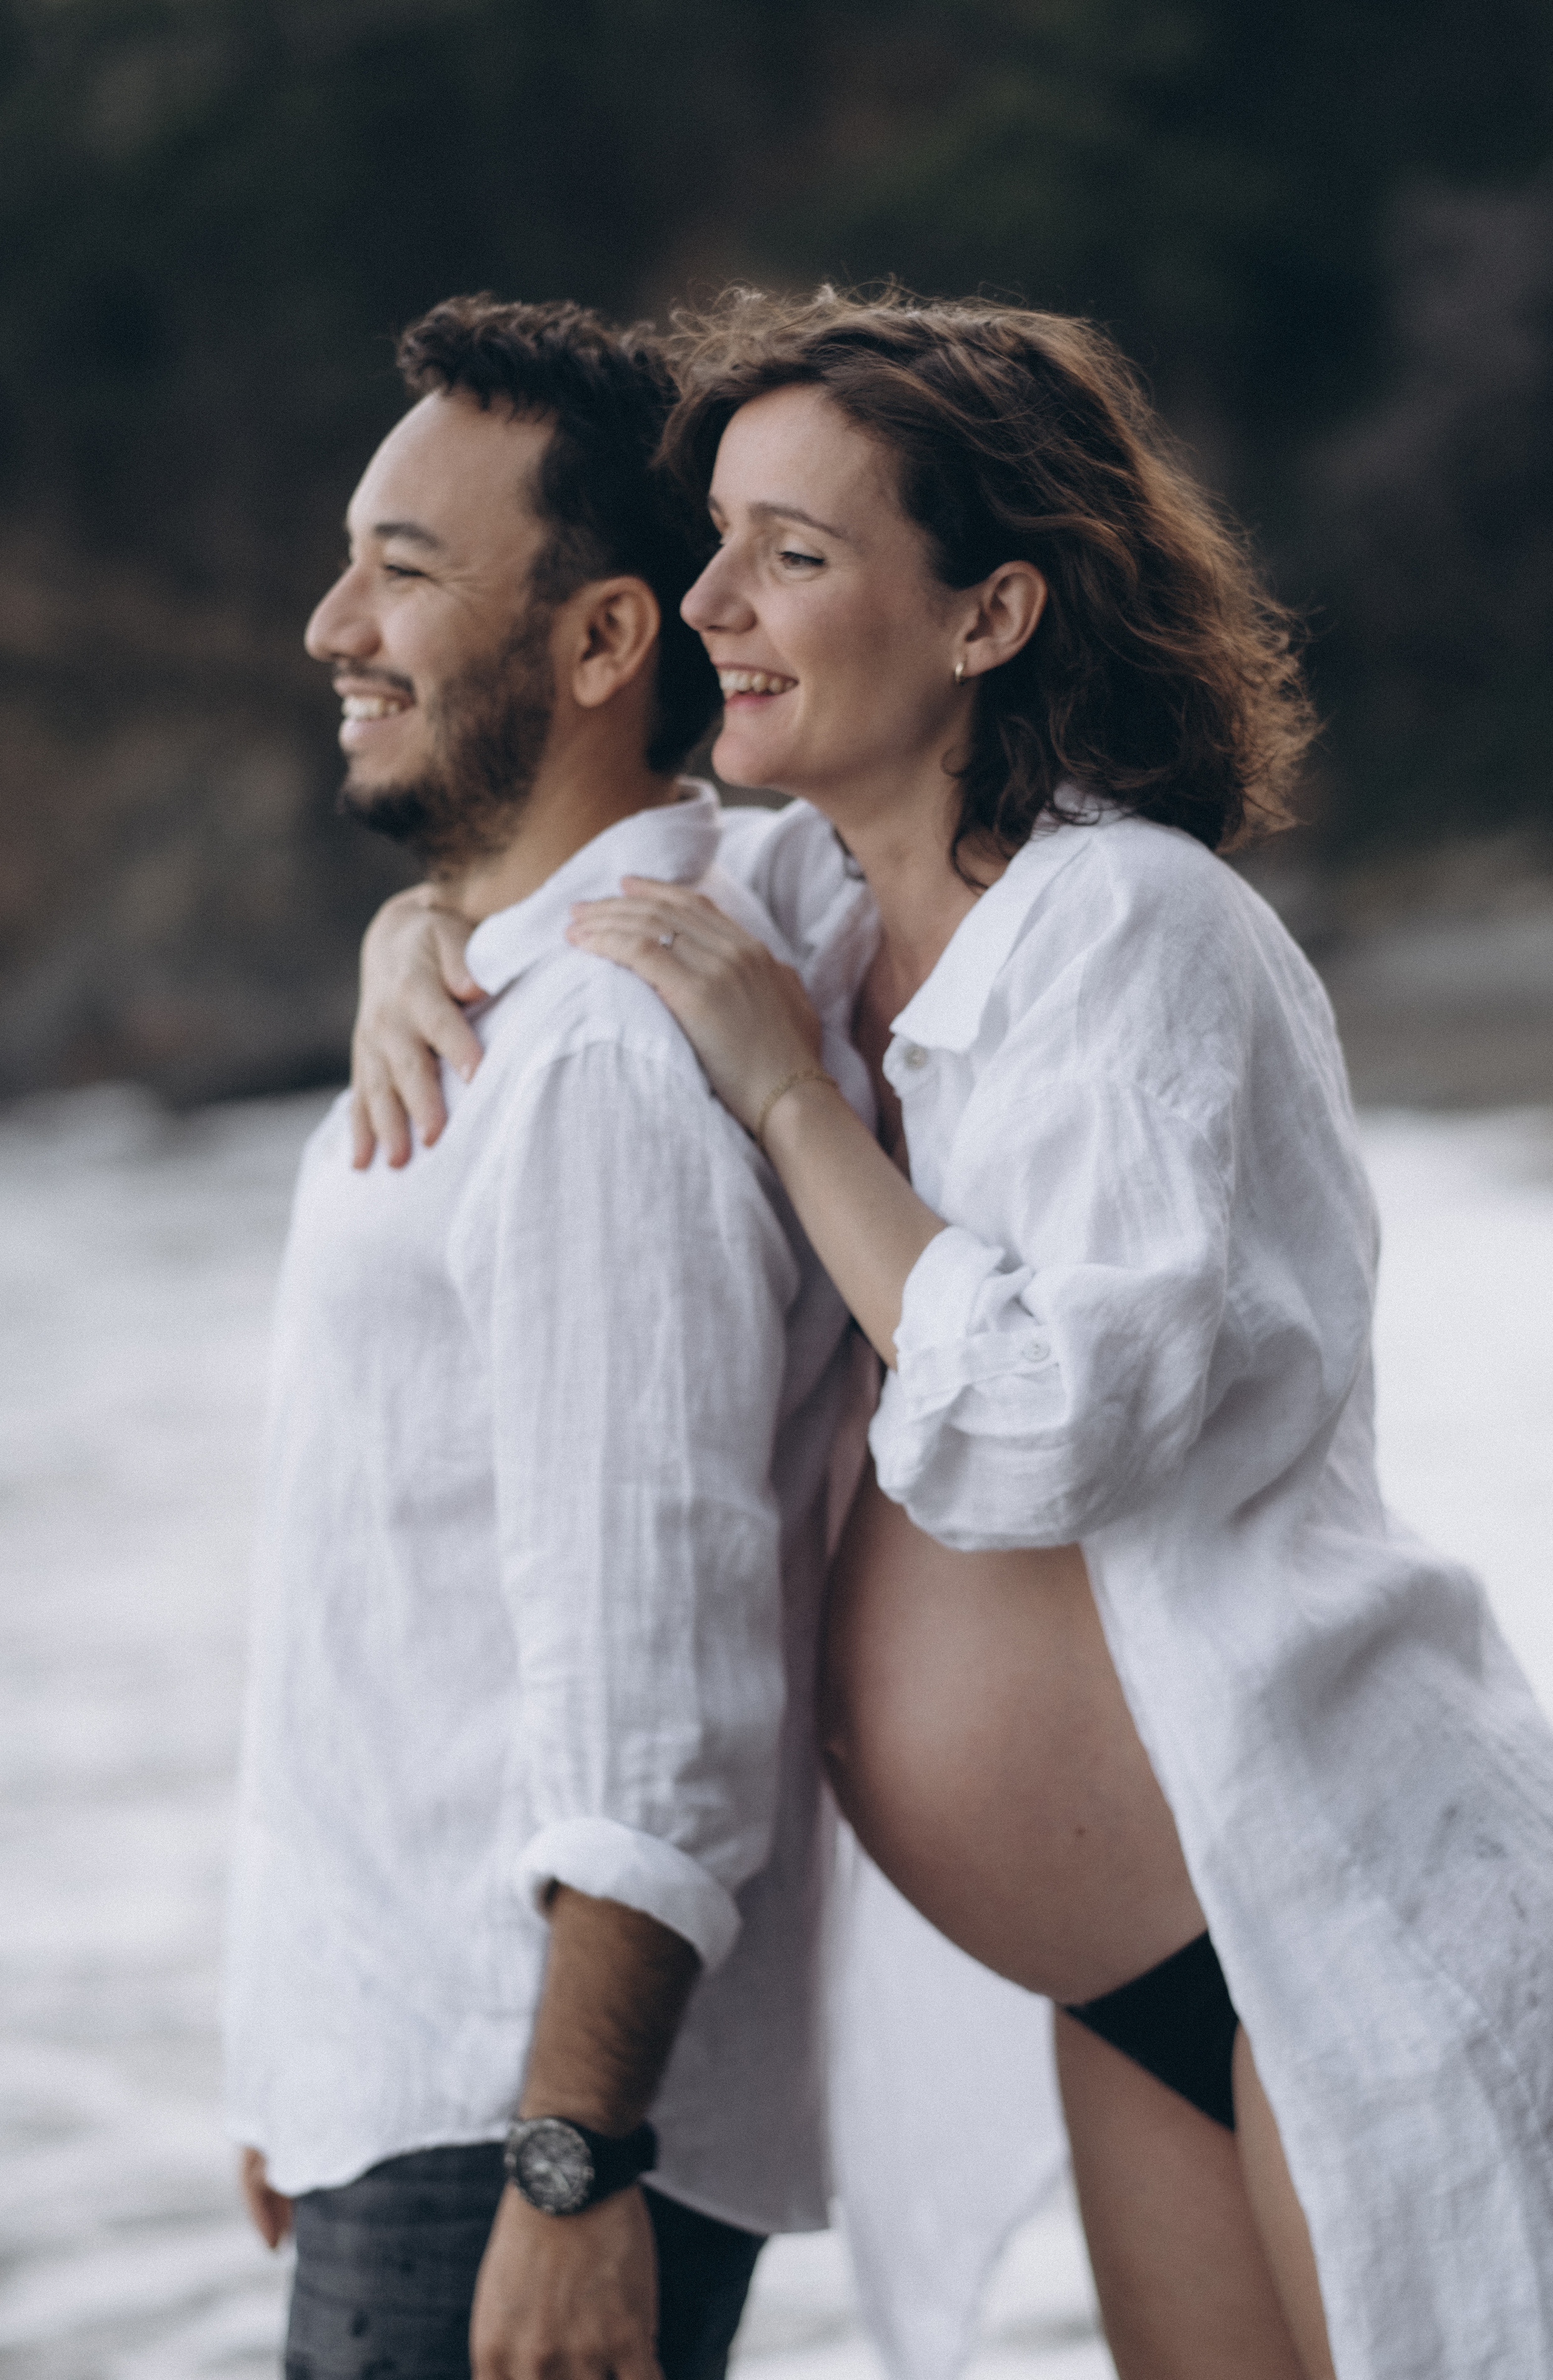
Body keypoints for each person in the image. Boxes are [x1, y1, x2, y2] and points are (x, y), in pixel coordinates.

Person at [356, 288, 1553, 2380]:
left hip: (1329, 1916)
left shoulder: (1137, 934)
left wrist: (796, 1110)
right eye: (717, 538)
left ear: (989, 616)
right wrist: (412, 935)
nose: (715, 595)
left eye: (794, 558)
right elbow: (558, 870)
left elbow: (1045, 1416)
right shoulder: (815, 903)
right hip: (1128, 1978)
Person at [224, 293, 874, 2380]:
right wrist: (307, 2047)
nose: (334, 623)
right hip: (415, 2087)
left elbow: (658, 1651)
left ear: (604, 648)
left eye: (405, 573)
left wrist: (569, 2163)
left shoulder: (600, 1047)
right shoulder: (507, 989)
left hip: (520, 2130)